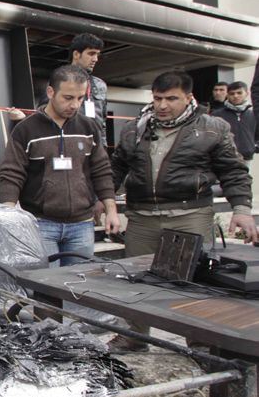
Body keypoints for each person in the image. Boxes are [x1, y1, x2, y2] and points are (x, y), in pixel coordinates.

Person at [110, 70, 258, 351]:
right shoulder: (135, 128)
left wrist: (242, 209)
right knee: (135, 284)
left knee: (193, 284)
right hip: (141, 217)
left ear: (189, 97)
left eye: (171, 99)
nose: (163, 105)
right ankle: (134, 336)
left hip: (190, 215)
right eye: (157, 98)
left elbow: (234, 171)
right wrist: (105, 201)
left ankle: (200, 344)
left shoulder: (213, 127)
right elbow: (116, 167)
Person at [0, 65, 120, 264]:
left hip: (81, 225)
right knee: (45, 288)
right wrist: (8, 215)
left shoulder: (89, 127)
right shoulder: (25, 130)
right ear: (50, 92)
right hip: (41, 224)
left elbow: (102, 171)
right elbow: (12, 173)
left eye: (80, 98)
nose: (74, 105)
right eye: (68, 97)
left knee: (79, 286)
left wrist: (112, 210)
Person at [211, 81, 257, 161]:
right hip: (225, 159)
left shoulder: (254, 114)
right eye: (232, 94)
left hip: (246, 157)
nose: (235, 96)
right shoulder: (216, 115)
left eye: (239, 93)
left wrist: (253, 147)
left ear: (246, 93)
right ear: (227, 95)